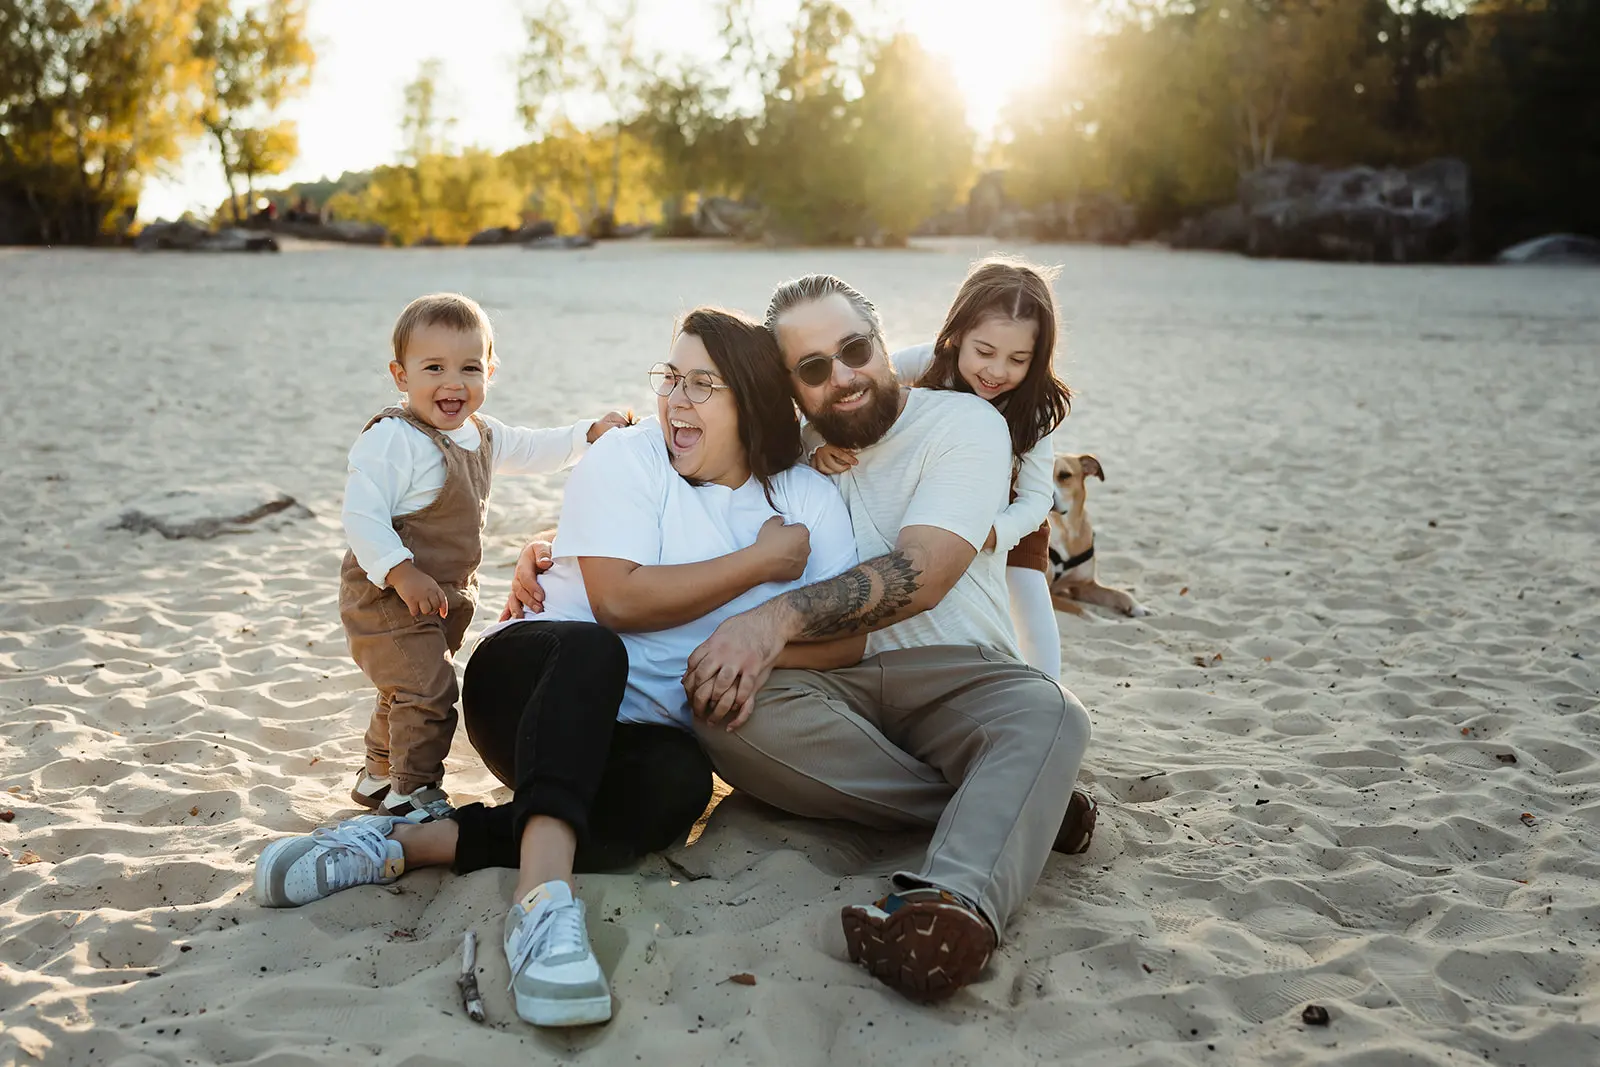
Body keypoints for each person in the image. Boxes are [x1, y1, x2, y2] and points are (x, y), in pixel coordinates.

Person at [256, 307, 862, 1029]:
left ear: (755, 401)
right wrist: (761, 564)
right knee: (593, 646)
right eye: (671, 377)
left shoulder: (806, 500)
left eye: (704, 384)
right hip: (532, 682)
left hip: (626, 738)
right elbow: (618, 600)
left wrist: (758, 638)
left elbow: (848, 641)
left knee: (679, 785)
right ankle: (541, 909)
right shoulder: (630, 456)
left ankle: (402, 844)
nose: (677, 400)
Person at [680, 274, 1095, 1003]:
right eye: (813, 368)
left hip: (958, 673)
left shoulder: (965, 424)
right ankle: (1016, 801)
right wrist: (553, 548)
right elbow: (671, 468)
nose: (842, 376)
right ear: (791, 386)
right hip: (831, 678)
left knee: (1053, 712)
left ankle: (952, 902)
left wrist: (771, 622)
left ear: (882, 339)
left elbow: (922, 574)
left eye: (854, 349)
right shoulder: (789, 453)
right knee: (722, 708)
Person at [339, 292, 628, 821]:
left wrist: (588, 435)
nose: (453, 383)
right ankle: (411, 789)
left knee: (403, 687)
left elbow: (537, 448)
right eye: (433, 368)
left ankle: (378, 774)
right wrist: (401, 572)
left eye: (469, 368)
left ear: (490, 372)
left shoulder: (482, 435)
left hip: (445, 595)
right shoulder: (391, 440)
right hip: (385, 594)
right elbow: (362, 516)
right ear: (401, 376)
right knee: (428, 689)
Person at [811, 256, 1072, 678]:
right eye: (984, 351)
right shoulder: (926, 364)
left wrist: (995, 533)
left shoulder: (1035, 407)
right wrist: (821, 444)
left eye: (1018, 359)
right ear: (956, 334)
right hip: (939, 494)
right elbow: (861, 393)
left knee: (1032, 613)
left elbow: (1038, 498)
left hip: (1007, 518)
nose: (997, 371)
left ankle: (1047, 689)